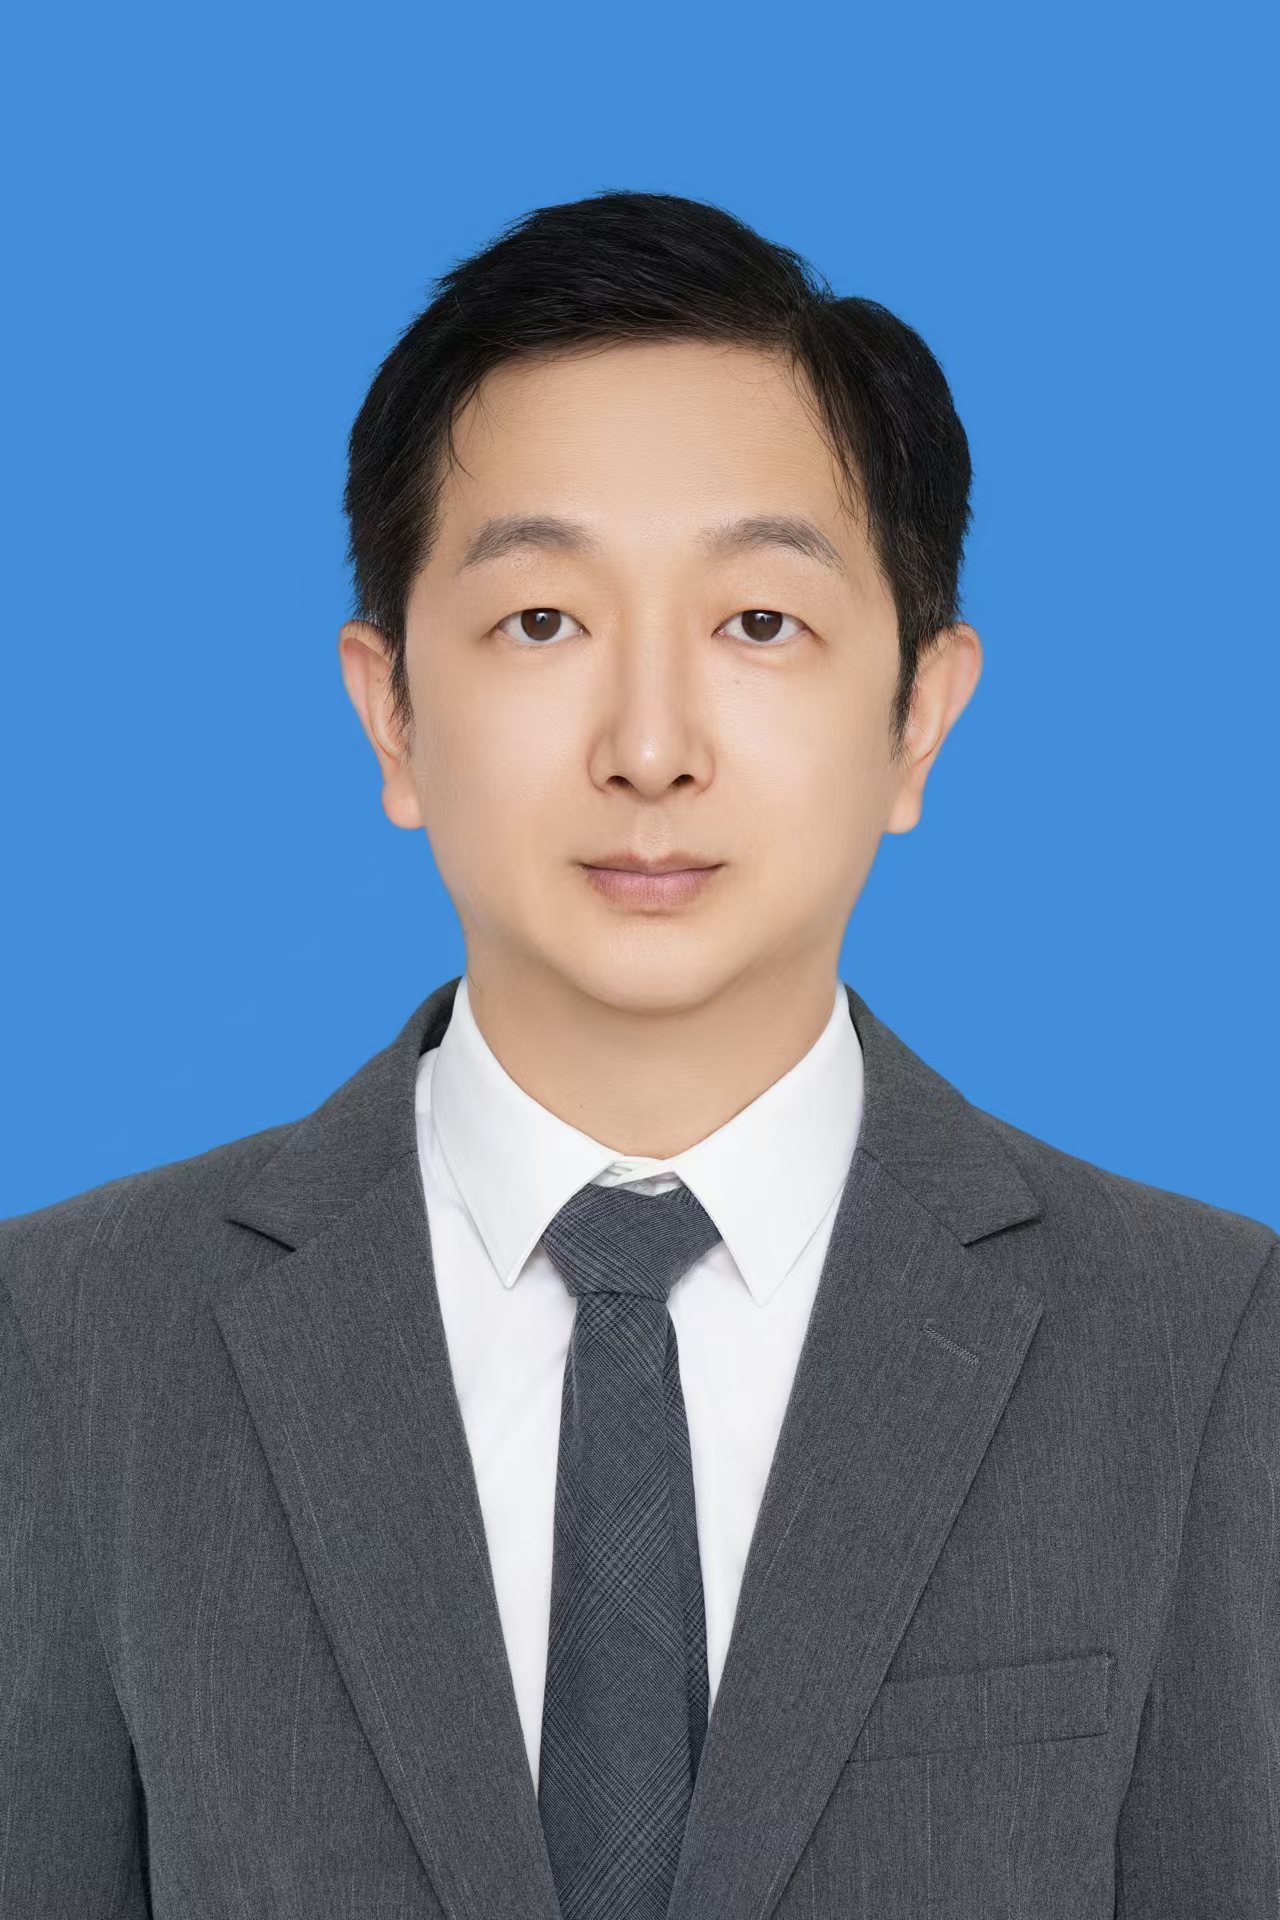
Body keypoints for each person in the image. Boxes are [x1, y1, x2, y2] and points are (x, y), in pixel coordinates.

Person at [2, 189, 1275, 1920]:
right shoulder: (69, 1340)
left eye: (759, 624)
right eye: (543, 622)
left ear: (918, 715)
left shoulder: (1203, 1344)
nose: (652, 747)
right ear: (392, 712)